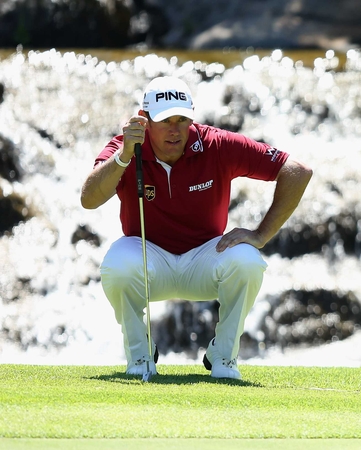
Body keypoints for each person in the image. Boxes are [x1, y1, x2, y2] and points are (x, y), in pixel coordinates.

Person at [80, 76, 313, 379]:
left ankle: (223, 358)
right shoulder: (125, 148)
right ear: (144, 120)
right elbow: (88, 199)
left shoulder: (216, 144)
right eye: (165, 120)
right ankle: (140, 357)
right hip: (149, 260)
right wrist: (124, 156)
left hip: (206, 256)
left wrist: (261, 234)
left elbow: (296, 171)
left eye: (182, 119)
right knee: (117, 261)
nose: (175, 130)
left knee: (248, 261)